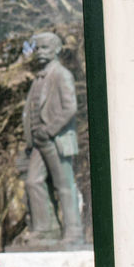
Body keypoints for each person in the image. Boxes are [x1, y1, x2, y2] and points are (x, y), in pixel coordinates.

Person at [22, 31, 83, 242]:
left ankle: (73, 231)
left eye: (44, 47)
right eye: (37, 48)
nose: (39, 52)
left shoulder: (62, 74)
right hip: (39, 142)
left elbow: (70, 108)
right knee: (33, 182)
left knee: (64, 185)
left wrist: (50, 129)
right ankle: (46, 228)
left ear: (56, 49)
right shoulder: (38, 79)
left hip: (55, 139)